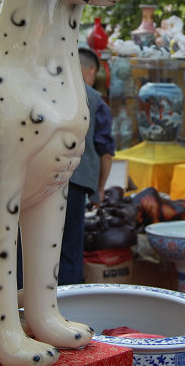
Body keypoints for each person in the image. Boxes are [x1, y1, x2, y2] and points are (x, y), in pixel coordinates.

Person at [58, 47, 115, 285]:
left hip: (35, 182)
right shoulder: (94, 99)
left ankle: (22, 305)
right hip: (75, 182)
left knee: (30, 247)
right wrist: (100, 189)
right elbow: (105, 152)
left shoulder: (42, 90)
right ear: (89, 70)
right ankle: (68, 303)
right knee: (69, 248)